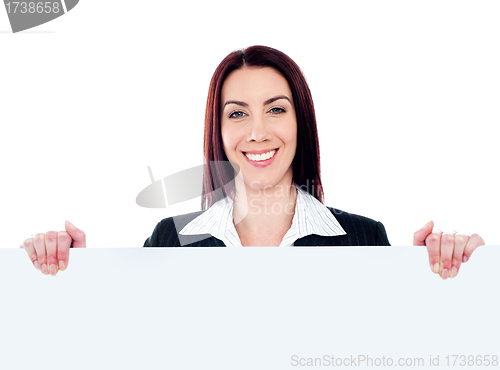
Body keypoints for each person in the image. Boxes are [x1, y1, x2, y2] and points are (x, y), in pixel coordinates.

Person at [20, 46, 485, 279]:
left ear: (301, 122)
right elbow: (129, 351)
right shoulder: (169, 243)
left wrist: (447, 281)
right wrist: (75, 284)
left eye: (276, 109)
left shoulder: (365, 241)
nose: (257, 131)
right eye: (237, 113)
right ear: (218, 132)